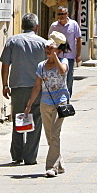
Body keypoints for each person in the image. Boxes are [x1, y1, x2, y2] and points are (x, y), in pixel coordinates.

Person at [0, 13, 48, 165]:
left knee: (18, 119)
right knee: (36, 119)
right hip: (37, 87)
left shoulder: (13, 41)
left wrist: (5, 85)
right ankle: (30, 156)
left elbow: (5, 65)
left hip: (18, 86)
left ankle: (17, 154)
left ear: (22, 26)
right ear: (37, 27)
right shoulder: (43, 43)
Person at [24, 32, 71, 177]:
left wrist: (55, 56)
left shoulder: (63, 61)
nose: (48, 51)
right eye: (47, 48)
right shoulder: (41, 66)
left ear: (58, 50)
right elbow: (37, 86)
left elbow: (63, 71)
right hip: (45, 103)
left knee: (55, 134)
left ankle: (51, 166)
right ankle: (60, 164)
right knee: (49, 136)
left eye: (51, 48)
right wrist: (29, 104)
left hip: (61, 103)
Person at [47, 6, 82, 96]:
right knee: (56, 76)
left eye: (63, 14)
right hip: (57, 56)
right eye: (59, 14)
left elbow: (78, 39)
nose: (61, 16)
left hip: (69, 56)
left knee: (69, 78)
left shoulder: (73, 24)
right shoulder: (54, 26)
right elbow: (50, 40)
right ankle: (57, 96)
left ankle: (67, 97)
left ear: (67, 14)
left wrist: (78, 55)